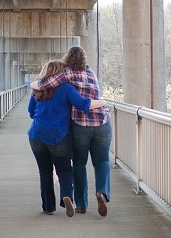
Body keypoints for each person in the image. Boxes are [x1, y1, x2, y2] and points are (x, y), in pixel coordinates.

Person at [30, 46, 112, 217]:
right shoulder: (90, 74)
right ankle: (98, 193)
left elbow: (40, 91)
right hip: (100, 122)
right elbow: (87, 101)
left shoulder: (65, 75)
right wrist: (102, 102)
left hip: (66, 127)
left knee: (76, 164)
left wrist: (33, 84)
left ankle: (74, 205)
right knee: (100, 161)